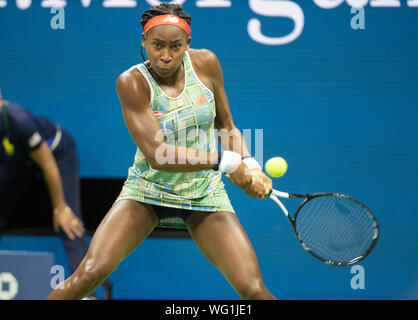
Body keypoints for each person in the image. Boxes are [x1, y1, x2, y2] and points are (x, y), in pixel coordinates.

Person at [47, 3, 276, 300]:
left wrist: (250, 164)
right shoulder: (131, 82)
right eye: (157, 45)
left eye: (175, 46)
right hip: (147, 192)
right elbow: (158, 155)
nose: (165, 55)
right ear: (143, 41)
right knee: (89, 273)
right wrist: (227, 161)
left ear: (187, 45)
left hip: (203, 193)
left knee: (253, 290)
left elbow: (226, 125)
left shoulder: (207, 64)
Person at [0, 90, 91, 283]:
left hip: (56, 155)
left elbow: (47, 163)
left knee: (68, 221)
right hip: (19, 161)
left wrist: (60, 208)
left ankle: (86, 292)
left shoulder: (18, 119)